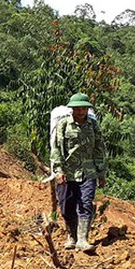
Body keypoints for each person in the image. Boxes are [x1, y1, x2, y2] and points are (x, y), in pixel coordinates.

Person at [50, 92, 107, 252]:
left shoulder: (93, 125)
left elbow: (99, 148)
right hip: (67, 172)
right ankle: (72, 236)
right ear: (72, 109)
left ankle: (82, 239)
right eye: (77, 109)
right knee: (66, 206)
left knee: (85, 204)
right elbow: (56, 149)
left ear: (88, 109)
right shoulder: (63, 125)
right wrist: (59, 171)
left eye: (83, 109)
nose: (80, 112)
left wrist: (101, 172)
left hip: (88, 172)